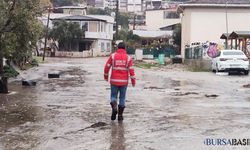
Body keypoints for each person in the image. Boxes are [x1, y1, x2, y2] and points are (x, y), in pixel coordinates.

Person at [104, 42, 136, 121]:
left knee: (113, 96)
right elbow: (131, 70)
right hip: (124, 82)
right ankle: (120, 115)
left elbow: (107, 66)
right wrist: (133, 81)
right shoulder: (128, 58)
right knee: (122, 97)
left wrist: (106, 76)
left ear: (117, 48)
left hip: (114, 81)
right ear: (125, 48)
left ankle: (114, 106)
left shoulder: (113, 56)